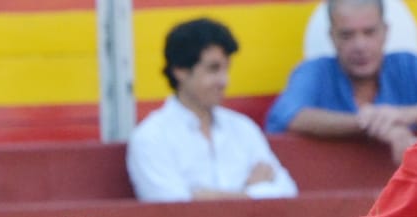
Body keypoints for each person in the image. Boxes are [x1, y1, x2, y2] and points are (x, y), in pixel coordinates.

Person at [265, 0, 417, 163]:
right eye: (347, 35)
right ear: (332, 37)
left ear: (385, 32)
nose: (360, 45)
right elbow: (288, 116)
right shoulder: (314, 71)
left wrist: (411, 114)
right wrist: (375, 126)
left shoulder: (409, 66)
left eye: (369, 32)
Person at [127, 17, 297, 202]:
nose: (224, 81)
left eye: (226, 69)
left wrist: (205, 196)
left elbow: (287, 191)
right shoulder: (151, 136)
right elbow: (172, 207)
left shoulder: (242, 128)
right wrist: (252, 192)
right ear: (180, 70)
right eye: (213, 69)